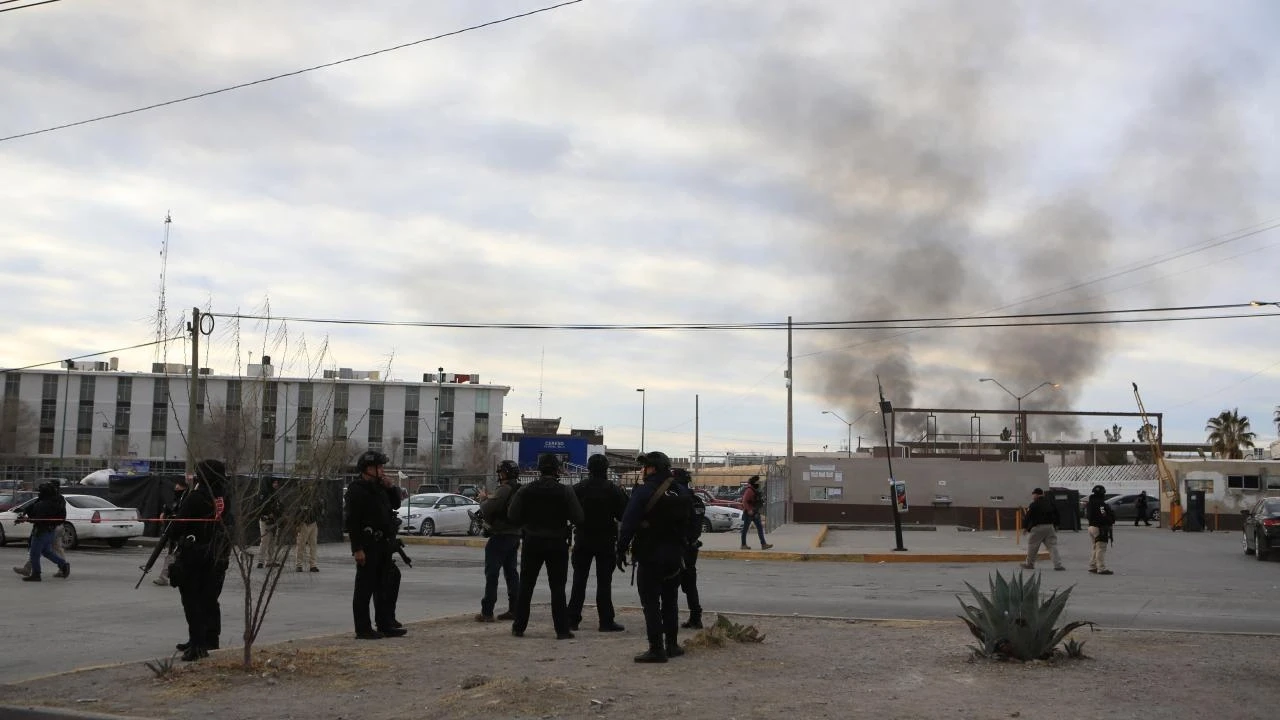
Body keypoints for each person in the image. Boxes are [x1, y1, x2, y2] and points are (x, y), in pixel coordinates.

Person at [617, 451, 693, 663]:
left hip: (650, 555)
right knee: (670, 602)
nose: (642, 471)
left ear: (653, 469)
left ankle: (656, 649)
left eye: (645, 467)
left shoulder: (643, 491)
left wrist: (621, 549)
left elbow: (629, 523)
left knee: (650, 603)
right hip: (675, 556)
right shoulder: (680, 490)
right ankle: (672, 645)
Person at [507, 453, 583, 639]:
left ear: (539, 469)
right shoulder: (565, 491)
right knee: (557, 588)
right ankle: (562, 630)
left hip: (532, 542)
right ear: (557, 469)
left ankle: (519, 627)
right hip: (557, 543)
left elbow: (512, 516)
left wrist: (527, 522)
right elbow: (579, 518)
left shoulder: (525, 490)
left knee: (526, 586)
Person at [170, 459, 232, 661]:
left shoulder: (196, 497)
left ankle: (198, 644)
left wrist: (169, 523)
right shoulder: (224, 496)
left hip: (195, 556)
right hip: (218, 554)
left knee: (193, 600)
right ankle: (208, 639)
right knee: (209, 599)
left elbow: (178, 526)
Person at [344, 450, 406, 639]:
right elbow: (353, 522)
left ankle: (385, 623)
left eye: (382, 467)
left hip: (383, 544)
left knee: (384, 585)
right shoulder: (357, 490)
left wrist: (391, 487)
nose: (382, 470)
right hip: (368, 545)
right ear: (367, 469)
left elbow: (396, 504)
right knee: (364, 588)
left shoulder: (380, 487)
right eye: (378, 467)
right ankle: (363, 628)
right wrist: (357, 549)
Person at [567, 454, 628, 633]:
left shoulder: (579, 488)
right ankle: (606, 621)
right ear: (606, 469)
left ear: (589, 468)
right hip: (605, 541)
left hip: (583, 539)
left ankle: (572, 620)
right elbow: (623, 515)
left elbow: (568, 510)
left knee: (579, 581)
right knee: (604, 583)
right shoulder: (613, 490)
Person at [475, 460, 522, 623]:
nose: (499, 475)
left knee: (492, 574)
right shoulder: (519, 489)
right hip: (515, 535)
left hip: (500, 536)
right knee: (512, 574)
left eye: (501, 472)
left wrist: (482, 499)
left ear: (504, 474)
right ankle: (514, 609)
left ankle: (487, 612)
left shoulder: (504, 489)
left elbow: (487, 509)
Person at [16, 481, 70, 582]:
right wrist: (25, 513)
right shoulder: (57, 501)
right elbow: (33, 508)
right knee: (46, 552)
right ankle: (63, 565)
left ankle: (36, 574)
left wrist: (25, 519)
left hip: (41, 531)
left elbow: (36, 518)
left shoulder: (43, 504)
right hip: (51, 530)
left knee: (34, 554)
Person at [672, 468, 706, 629]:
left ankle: (669, 618)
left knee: (670, 585)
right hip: (692, 546)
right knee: (690, 584)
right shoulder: (696, 500)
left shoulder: (678, 500)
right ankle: (695, 617)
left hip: (678, 547)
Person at [153, 475, 189, 585]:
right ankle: (166, 576)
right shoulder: (176, 498)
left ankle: (165, 577)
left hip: (181, 532)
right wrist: (165, 514)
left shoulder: (186, 499)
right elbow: (170, 510)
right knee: (173, 554)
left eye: (178, 485)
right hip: (173, 530)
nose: (176, 487)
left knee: (175, 554)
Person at [1020, 488, 1064, 571]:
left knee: (1033, 546)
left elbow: (1028, 516)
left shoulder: (1034, 504)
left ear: (1036, 494)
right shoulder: (1050, 503)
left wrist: (1025, 527)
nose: (1032, 496)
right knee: (1052, 546)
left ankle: (1029, 564)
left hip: (1037, 528)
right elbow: (1057, 514)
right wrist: (1057, 525)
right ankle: (1058, 565)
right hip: (1050, 527)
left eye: (1033, 495)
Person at [1085, 485, 1115, 575]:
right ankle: (1101, 568)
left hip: (1091, 527)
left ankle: (1093, 566)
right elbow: (1103, 515)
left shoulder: (1090, 503)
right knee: (1101, 548)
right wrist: (1110, 520)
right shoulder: (1101, 504)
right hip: (1099, 527)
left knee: (1095, 547)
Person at [739, 476, 773, 550]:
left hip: (755, 512)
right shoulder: (749, 490)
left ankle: (763, 544)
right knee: (745, 529)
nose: (759, 483)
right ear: (754, 482)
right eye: (758, 482)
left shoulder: (754, 490)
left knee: (760, 528)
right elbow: (744, 501)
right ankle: (743, 544)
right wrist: (748, 510)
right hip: (749, 513)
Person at [295, 486, 324, 572]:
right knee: (301, 544)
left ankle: (313, 565)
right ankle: (299, 565)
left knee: (313, 544)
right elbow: (297, 512)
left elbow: (320, 511)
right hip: (304, 523)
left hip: (313, 523)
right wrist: (297, 524)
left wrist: (319, 518)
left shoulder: (316, 500)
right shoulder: (301, 500)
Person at [256, 478, 282, 569]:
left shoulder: (275, 494)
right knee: (265, 541)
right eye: (274, 482)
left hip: (274, 521)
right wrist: (267, 514)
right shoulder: (263, 494)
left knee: (272, 541)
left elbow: (279, 507)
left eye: (276, 482)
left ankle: (270, 561)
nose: (276, 484)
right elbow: (260, 507)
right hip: (265, 520)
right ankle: (260, 561)